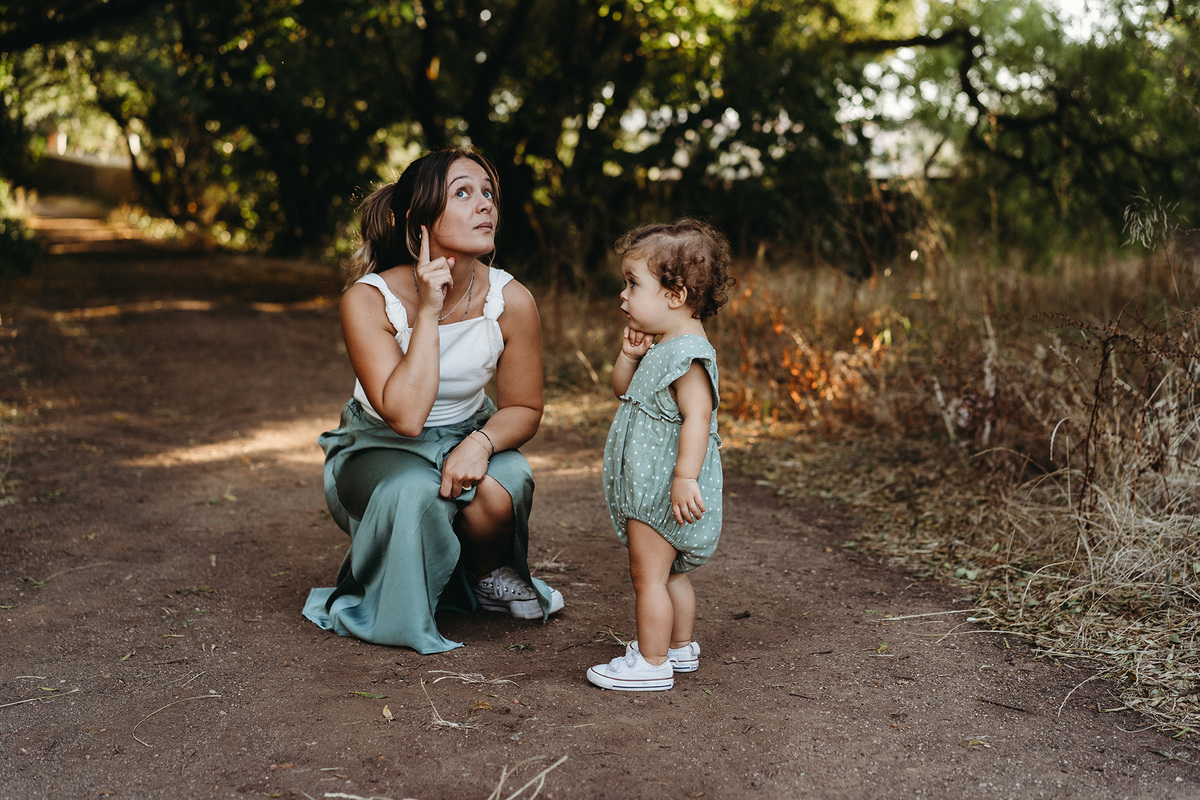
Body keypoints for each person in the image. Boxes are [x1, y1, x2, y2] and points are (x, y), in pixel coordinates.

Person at [303, 147, 564, 654]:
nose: (485, 204)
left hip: (466, 431)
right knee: (416, 490)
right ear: (419, 220)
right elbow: (404, 416)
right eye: (463, 193)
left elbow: (525, 408)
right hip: (379, 447)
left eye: (488, 193)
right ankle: (398, 602)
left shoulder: (511, 300)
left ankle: (484, 574)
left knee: (506, 481)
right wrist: (427, 311)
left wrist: (481, 443)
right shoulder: (368, 300)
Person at [587, 218, 734, 691]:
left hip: (661, 490)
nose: (623, 295)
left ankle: (651, 663)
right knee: (667, 574)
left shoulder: (687, 355)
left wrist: (684, 478)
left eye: (633, 283)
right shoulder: (665, 346)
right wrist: (630, 356)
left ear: (675, 296)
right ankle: (678, 647)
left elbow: (699, 416)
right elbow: (623, 390)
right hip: (657, 487)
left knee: (647, 577)